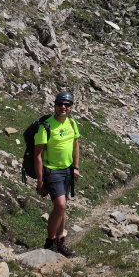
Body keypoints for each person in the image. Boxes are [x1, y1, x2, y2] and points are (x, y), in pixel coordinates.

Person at [34, 91, 80, 256]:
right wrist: (40, 181)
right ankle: (50, 241)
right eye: (60, 104)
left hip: (67, 170)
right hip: (51, 170)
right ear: (54, 105)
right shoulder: (45, 125)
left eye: (67, 105)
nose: (63, 107)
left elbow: (75, 145)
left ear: (71, 107)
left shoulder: (72, 124)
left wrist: (76, 166)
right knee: (60, 205)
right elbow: (37, 155)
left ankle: (60, 242)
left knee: (63, 207)